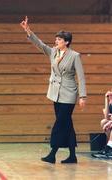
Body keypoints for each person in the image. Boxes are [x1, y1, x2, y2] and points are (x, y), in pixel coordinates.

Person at [20, 16, 87, 164]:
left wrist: (83, 96)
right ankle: (72, 156)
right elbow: (40, 44)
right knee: (67, 124)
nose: (56, 41)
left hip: (69, 94)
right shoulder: (53, 52)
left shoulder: (75, 56)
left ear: (67, 42)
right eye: (56, 39)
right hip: (55, 94)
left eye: (59, 39)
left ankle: (53, 153)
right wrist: (28, 30)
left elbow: (81, 77)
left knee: (60, 123)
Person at [92, 90, 112, 159]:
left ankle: (109, 147)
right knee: (103, 122)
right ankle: (110, 147)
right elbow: (106, 116)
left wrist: (110, 122)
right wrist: (106, 99)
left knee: (109, 123)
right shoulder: (110, 101)